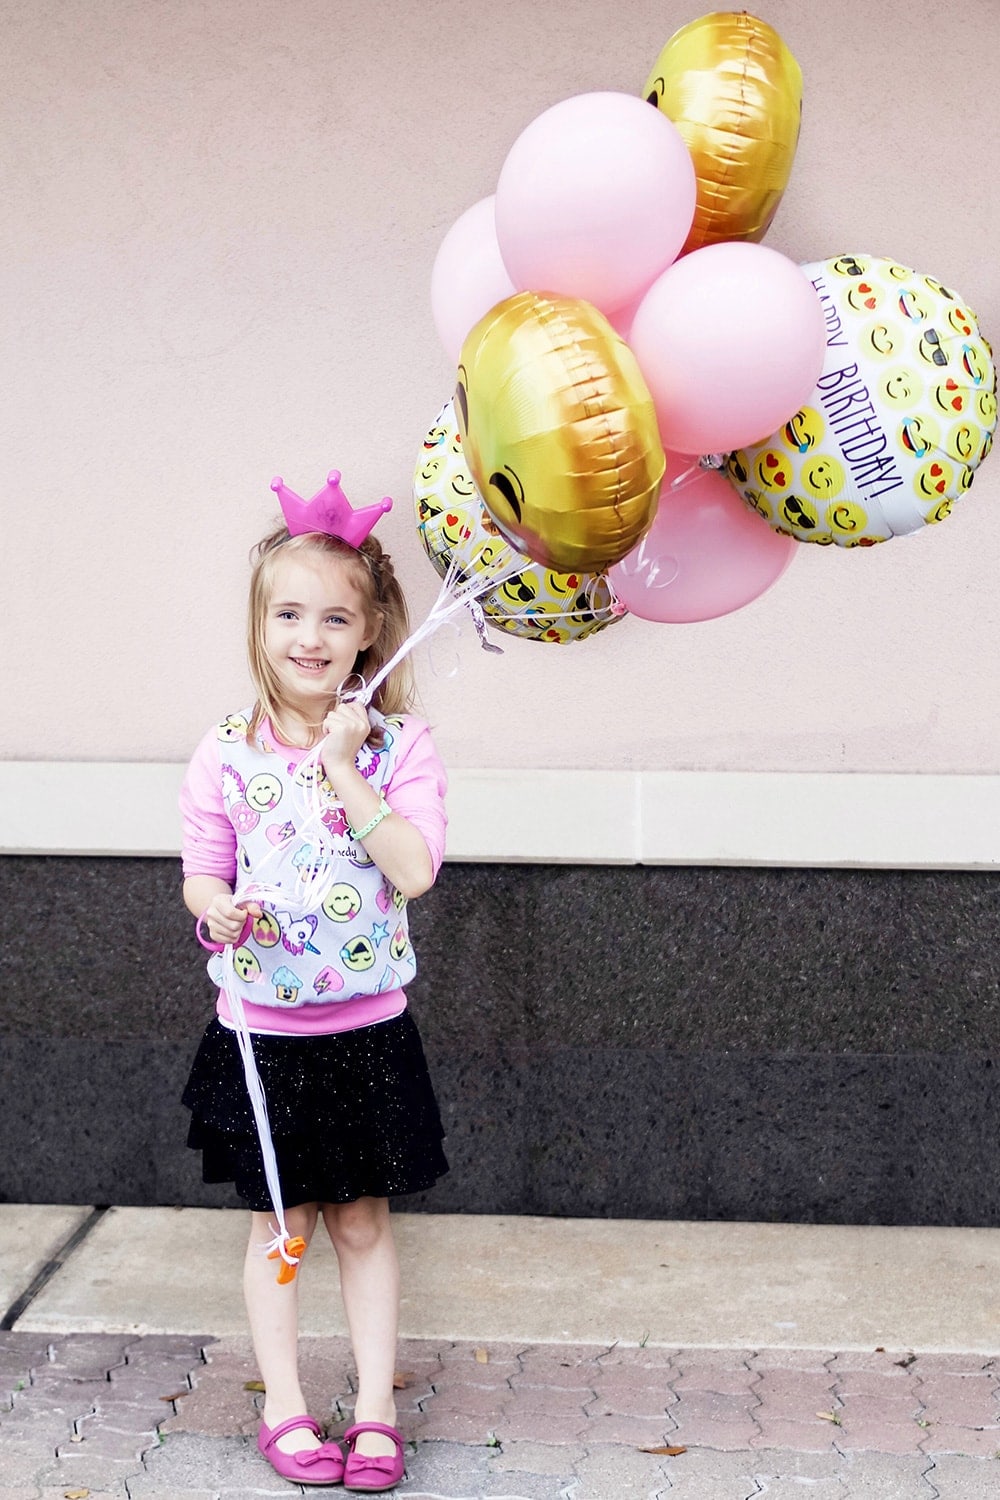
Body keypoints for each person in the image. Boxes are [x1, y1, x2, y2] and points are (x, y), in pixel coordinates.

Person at [179, 474, 448, 1491]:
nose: (310, 635)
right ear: (261, 624)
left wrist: (346, 769)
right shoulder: (224, 753)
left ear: (371, 631)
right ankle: (287, 1407)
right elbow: (203, 866)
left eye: (335, 616)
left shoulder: (398, 746)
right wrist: (217, 908)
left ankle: (374, 1408)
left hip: (367, 1030)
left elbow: (414, 870)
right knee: (280, 1226)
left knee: (363, 1221)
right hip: (261, 1031)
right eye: (289, 612)